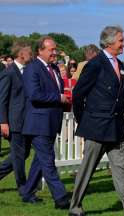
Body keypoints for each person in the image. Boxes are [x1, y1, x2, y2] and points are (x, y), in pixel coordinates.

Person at [69, 26, 124, 216]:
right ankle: (75, 207)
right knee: (87, 169)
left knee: (121, 170)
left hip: (116, 127)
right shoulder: (95, 64)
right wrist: (83, 121)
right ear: (109, 42)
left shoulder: (118, 63)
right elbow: (78, 95)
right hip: (96, 127)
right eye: (120, 40)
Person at [20, 36, 70, 208]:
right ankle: (61, 197)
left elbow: (58, 93)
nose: (54, 53)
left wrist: (64, 101)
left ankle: (27, 192)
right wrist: (58, 98)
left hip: (51, 122)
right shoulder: (32, 68)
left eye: (55, 49)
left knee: (40, 160)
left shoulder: (55, 68)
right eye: (51, 50)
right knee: (48, 160)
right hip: (37, 123)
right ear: (40, 51)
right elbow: (34, 95)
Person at [0, 41, 33, 193]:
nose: (31, 55)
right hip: (13, 121)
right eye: (29, 52)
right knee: (19, 156)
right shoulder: (9, 73)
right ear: (21, 54)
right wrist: (3, 122)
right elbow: (2, 99)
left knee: (22, 154)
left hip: (25, 120)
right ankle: (23, 186)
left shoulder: (26, 71)